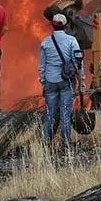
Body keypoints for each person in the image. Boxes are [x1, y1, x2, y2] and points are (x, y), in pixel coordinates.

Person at [38, 12, 83, 148]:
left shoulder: (45, 43)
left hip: (50, 80)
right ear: (66, 25)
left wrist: (43, 81)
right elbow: (78, 63)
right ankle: (66, 142)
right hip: (66, 81)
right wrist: (82, 83)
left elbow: (42, 66)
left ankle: (46, 142)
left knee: (50, 112)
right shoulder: (71, 41)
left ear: (52, 25)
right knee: (65, 112)